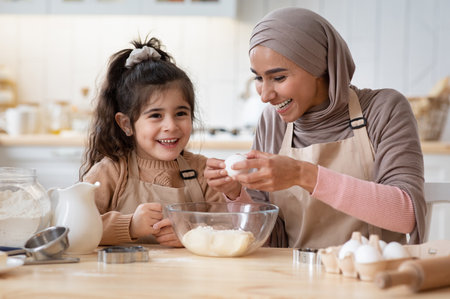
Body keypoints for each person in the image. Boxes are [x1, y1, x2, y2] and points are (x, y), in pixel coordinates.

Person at [204, 7, 426, 248]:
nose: (265, 96)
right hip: (293, 277)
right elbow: (267, 238)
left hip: (372, 277)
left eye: (278, 78)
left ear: (320, 68)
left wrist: (302, 174)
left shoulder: (383, 109)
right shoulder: (273, 122)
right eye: (258, 78)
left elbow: (406, 216)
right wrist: (236, 194)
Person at [80, 37, 226, 247]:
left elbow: (230, 229)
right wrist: (129, 226)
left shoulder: (203, 171)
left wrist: (191, 235)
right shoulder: (110, 172)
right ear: (126, 124)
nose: (171, 126)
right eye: (156, 115)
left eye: (181, 113)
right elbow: (75, 228)